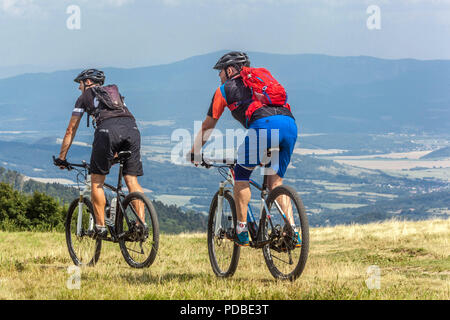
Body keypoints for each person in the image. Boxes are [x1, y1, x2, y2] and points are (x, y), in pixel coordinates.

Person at [188, 51, 300, 246]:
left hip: (264, 126)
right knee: (275, 183)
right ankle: (293, 230)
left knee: (241, 175)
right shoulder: (260, 79)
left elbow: (207, 126)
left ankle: (241, 230)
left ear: (230, 70)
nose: (219, 76)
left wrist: (194, 151)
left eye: (220, 72)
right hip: (289, 124)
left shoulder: (224, 90)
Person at [54, 69, 145, 238]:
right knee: (132, 180)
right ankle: (141, 225)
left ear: (87, 82)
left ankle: (100, 227)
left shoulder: (83, 98)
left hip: (107, 131)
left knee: (97, 181)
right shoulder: (115, 96)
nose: (79, 88)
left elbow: (70, 129)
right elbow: (121, 123)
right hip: (132, 129)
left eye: (79, 84)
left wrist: (62, 157)